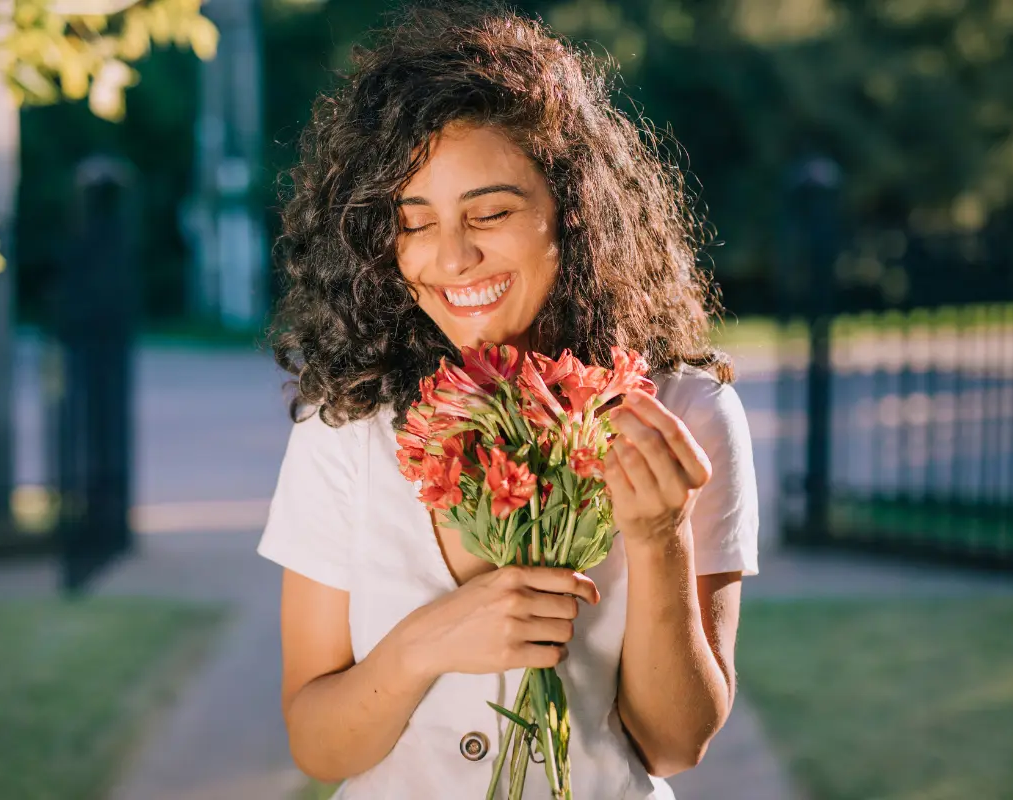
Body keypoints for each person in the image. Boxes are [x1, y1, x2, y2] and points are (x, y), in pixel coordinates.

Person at [258, 5, 759, 798]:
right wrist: (425, 642)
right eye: (412, 222)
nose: (451, 258)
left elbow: (673, 745)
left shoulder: (685, 412)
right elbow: (319, 747)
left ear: (574, 211)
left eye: (490, 212)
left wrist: (661, 537)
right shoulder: (345, 426)